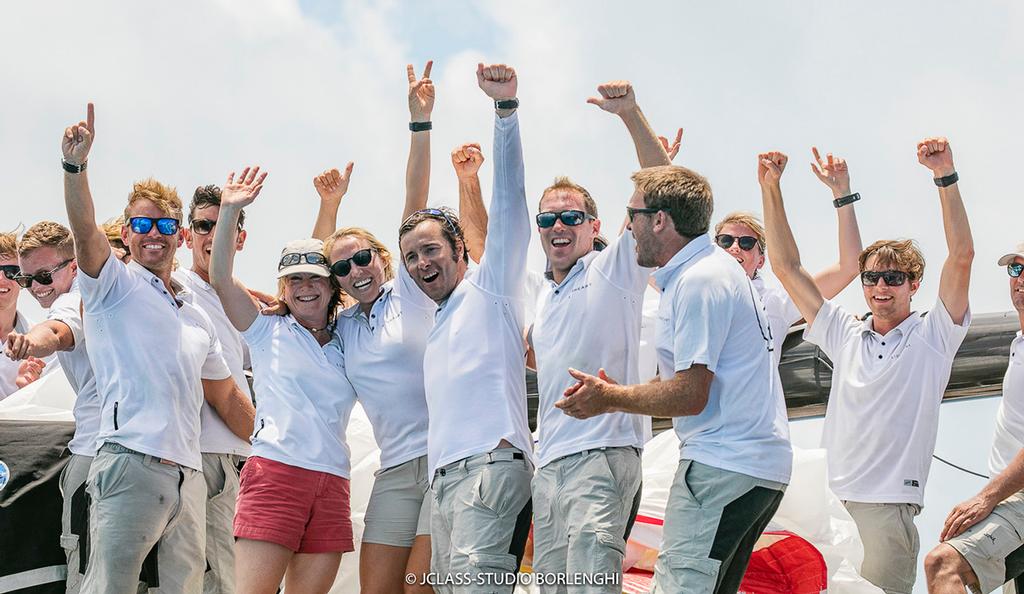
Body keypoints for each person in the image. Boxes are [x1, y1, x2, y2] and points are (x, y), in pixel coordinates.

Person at [555, 164, 792, 594]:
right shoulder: (716, 269)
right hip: (754, 467)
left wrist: (608, 397)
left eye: (633, 216)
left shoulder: (699, 281)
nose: (629, 230)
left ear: (660, 220)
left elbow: (690, 392)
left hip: (722, 464)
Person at [757, 139, 973, 594]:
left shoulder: (934, 336)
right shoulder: (844, 332)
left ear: (914, 284)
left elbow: (961, 257)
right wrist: (771, 187)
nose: (880, 286)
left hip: (887, 509)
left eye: (893, 278)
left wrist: (945, 177)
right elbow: (786, 266)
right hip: (828, 506)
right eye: (872, 277)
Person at [59, 103, 256, 594]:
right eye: (142, 225)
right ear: (125, 233)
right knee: (110, 587)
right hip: (129, 461)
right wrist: (76, 167)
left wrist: (275, 441)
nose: (154, 234)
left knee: (185, 589)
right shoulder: (114, 285)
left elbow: (228, 397)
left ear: (179, 235)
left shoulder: (194, 313)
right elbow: (84, 231)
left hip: (188, 474)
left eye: (166, 226)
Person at [495, 79, 669, 592]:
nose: (557, 225)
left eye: (571, 216)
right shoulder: (541, 297)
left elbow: (664, 184)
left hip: (604, 455)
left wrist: (631, 115)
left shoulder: (614, 267)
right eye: (547, 218)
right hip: (548, 463)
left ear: (595, 226)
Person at [307, 62, 441, 594]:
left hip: (442, 462)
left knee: (418, 586)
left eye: (362, 258)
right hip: (394, 471)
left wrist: (420, 123)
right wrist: (329, 206)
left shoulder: (407, 292)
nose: (354, 270)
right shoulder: (342, 326)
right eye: (343, 267)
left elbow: (415, 202)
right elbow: (308, 273)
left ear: (383, 258)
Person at [398, 62, 531, 592]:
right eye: (410, 257)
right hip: (446, 480)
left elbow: (511, 203)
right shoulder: (435, 319)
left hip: (491, 467)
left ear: (460, 250)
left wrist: (505, 111)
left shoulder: (491, 287)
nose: (420, 263)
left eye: (430, 249)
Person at [208, 166, 358, 594]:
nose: (305, 287)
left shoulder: (347, 334)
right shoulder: (265, 327)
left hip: (333, 480)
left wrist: (330, 205)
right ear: (283, 287)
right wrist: (230, 212)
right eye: (294, 280)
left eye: (315, 278)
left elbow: (320, 251)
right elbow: (221, 277)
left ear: (332, 286)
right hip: (276, 474)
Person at [922, 245, 1024, 593]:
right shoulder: (1019, 343)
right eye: (1015, 270)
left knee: (944, 564)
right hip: (1011, 495)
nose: (1020, 279)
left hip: (1016, 497)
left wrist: (987, 497)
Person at [4, 221, 94, 594]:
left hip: (100, 457)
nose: (37, 288)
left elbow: (57, 330)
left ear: (73, 266)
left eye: (43, 276)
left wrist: (30, 343)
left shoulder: (75, 299)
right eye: (29, 281)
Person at [176, 184, 257, 594]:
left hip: (237, 464)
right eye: (205, 225)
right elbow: (220, 394)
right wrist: (266, 442)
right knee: (221, 583)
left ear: (239, 238)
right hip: (207, 460)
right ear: (187, 235)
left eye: (225, 225)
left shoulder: (238, 299)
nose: (213, 235)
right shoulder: (176, 288)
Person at [0, 230, 47, 398]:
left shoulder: (43, 343)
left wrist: (30, 392)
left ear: (23, 279)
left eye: (12, 271)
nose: (1, 279)